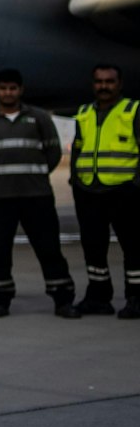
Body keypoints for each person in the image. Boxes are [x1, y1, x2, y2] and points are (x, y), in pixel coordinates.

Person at [0, 69, 77, 318]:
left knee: (49, 248)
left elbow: (53, 153)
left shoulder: (39, 117)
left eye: (13, 88)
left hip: (36, 196)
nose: (8, 93)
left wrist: (35, 175)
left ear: (21, 90)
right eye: (4, 88)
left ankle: (62, 298)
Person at [70, 63, 140, 319]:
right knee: (93, 247)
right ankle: (98, 296)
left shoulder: (132, 110)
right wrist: (76, 181)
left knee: (133, 247)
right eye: (99, 82)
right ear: (93, 84)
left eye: (109, 81)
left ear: (120, 84)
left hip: (124, 192)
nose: (104, 86)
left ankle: (136, 297)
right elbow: (78, 148)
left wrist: (135, 184)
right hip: (90, 191)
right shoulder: (84, 113)